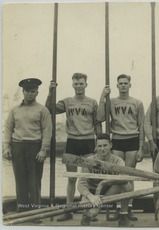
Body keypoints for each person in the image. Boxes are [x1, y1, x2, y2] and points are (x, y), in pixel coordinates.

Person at [46, 73, 101, 221]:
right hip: (72, 142)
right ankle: (68, 210)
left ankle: (88, 212)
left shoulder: (92, 102)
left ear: (86, 84)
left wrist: (99, 141)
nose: (78, 86)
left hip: (89, 142)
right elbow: (50, 108)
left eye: (81, 83)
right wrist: (51, 91)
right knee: (71, 179)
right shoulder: (67, 101)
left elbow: (97, 123)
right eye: (76, 84)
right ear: (72, 85)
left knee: (88, 179)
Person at [3, 78, 52, 223]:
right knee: (20, 181)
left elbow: (47, 131)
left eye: (33, 91)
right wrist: (6, 147)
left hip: (35, 148)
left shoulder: (42, 110)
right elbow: (8, 129)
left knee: (34, 181)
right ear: (23, 92)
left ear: (37, 92)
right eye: (27, 91)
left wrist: (43, 150)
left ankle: (36, 213)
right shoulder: (14, 110)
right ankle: (22, 212)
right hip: (18, 147)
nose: (30, 94)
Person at [97, 74, 144, 221]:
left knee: (128, 176)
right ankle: (117, 208)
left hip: (132, 140)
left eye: (125, 83)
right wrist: (102, 97)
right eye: (120, 83)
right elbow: (100, 117)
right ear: (116, 86)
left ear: (130, 85)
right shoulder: (111, 102)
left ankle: (128, 208)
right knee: (116, 177)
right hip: (117, 140)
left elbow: (141, 126)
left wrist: (141, 147)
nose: (123, 85)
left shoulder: (137, 103)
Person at [77, 133, 133, 227]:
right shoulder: (88, 161)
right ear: (95, 147)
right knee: (92, 213)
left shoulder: (117, 160)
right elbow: (81, 184)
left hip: (108, 190)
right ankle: (87, 215)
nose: (102, 149)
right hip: (93, 192)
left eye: (105, 145)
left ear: (110, 145)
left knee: (126, 186)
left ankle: (123, 216)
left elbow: (125, 178)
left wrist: (106, 182)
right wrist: (91, 196)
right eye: (99, 146)